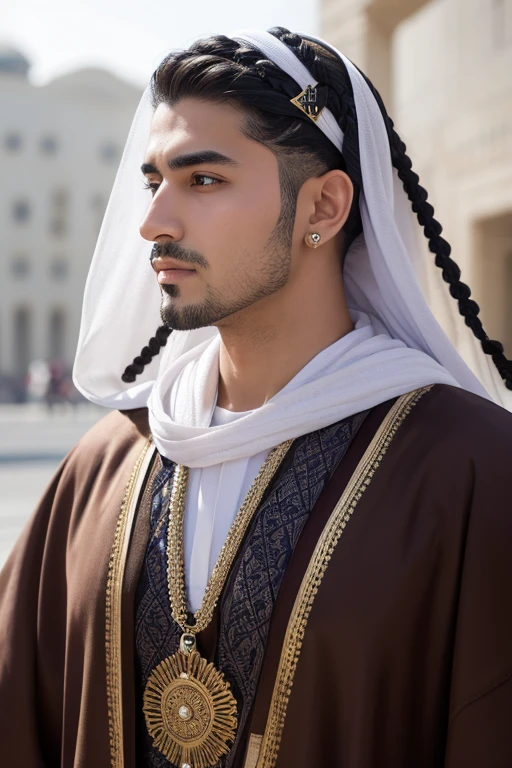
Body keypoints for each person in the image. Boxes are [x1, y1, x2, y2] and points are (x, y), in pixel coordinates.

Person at [1, 26, 511, 768]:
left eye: (202, 180)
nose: (154, 223)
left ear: (323, 208)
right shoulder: (107, 465)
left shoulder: (469, 470)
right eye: (153, 182)